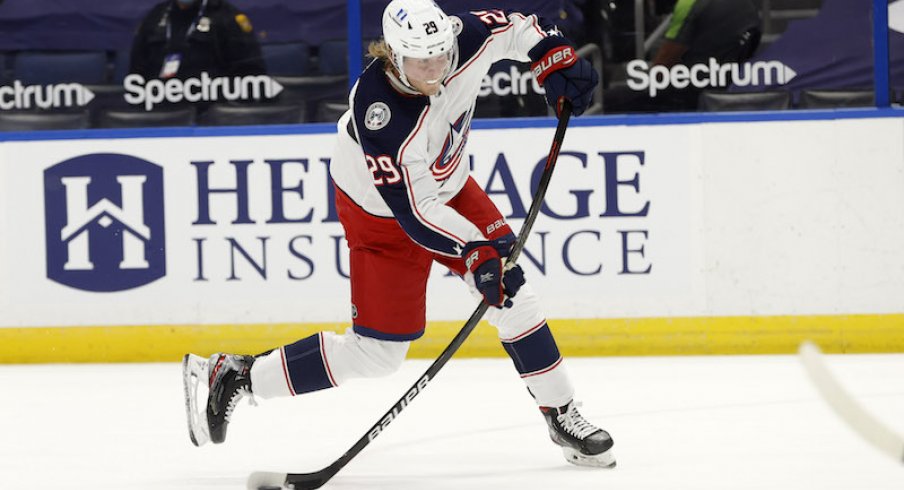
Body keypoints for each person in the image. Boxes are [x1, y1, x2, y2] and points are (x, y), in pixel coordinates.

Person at [182, 0, 614, 469]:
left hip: (447, 186)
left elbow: (518, 28)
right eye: (419, 60)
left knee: (513, 293)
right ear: (392, 54)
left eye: (440, 56)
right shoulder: (378, 110)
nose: (434, 70)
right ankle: (238, 375)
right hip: (382, 217)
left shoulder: (462, 37)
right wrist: (476, 253)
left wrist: (553, 57)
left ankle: (562, 414)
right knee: (377, 355)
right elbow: (414, 210)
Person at [605, 0, 761, 112]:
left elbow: (662, 67)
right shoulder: (750, 5)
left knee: (610, 99)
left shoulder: (689, 4)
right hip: (725, 85)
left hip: (686, 89)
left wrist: (642, 79)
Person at [129, 0, 266, 80]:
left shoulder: (226, 16)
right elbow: (137, 70)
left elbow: (251, 74)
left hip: (211, 110)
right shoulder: (156, 15)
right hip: (160, 107)